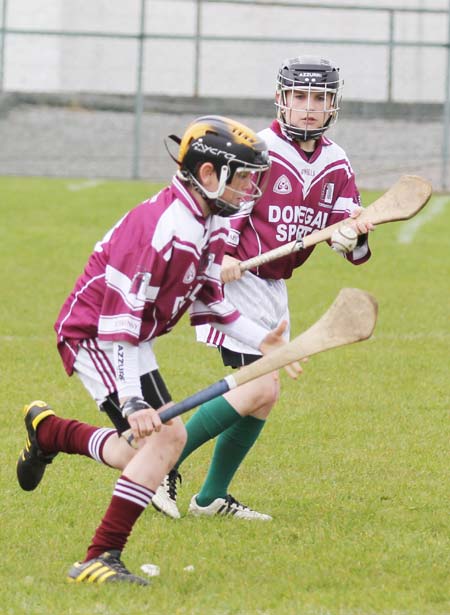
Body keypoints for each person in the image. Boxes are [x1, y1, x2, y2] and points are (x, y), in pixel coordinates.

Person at [16, 115, 302, 584]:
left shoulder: (206, 220)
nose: (252, 188)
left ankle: (50, 433)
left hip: (132, 336)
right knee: (163, 441)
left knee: (147, 451)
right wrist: (131, 400)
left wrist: (263, 342)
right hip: (97, 333)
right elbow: (118, 324)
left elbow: (209, 300)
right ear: (208, 174)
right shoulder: (165, 228)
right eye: (245, 177)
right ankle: (99, 557)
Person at [151, 56, 374, 521]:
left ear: (333, 105)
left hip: (274, 289)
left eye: (319, 98)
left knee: (262, 397)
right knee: (259, 386)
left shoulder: (336, 162)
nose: (308, 108)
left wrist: (353, 235)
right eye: (299, 97)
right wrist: (226, 253)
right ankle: (157, 467)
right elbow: (225, 206)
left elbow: (349, 242)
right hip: (237, 281)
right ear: (282, 98)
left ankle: (211, 497)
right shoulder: (260, 148)